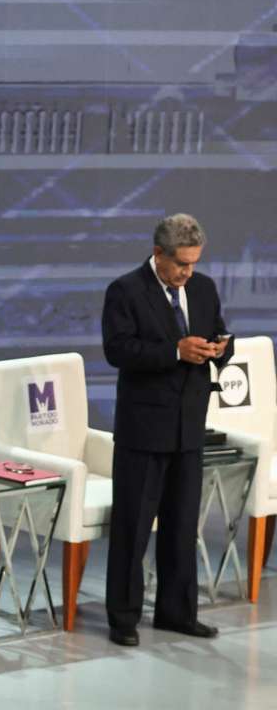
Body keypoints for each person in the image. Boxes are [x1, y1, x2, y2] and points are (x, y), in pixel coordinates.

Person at [103, 213, 233, 647]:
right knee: (133, 527)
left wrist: (219, 348)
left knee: (181, 526)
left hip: (189, 426)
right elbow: (118, 350)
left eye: (194, 263)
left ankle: (177, 613)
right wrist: (176, 352)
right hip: (144, 429)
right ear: (158, 253)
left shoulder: (204, 288)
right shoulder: (125, 291)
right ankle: (123, 617)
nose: (188, 273)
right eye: (181, 264)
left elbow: (217, 334)